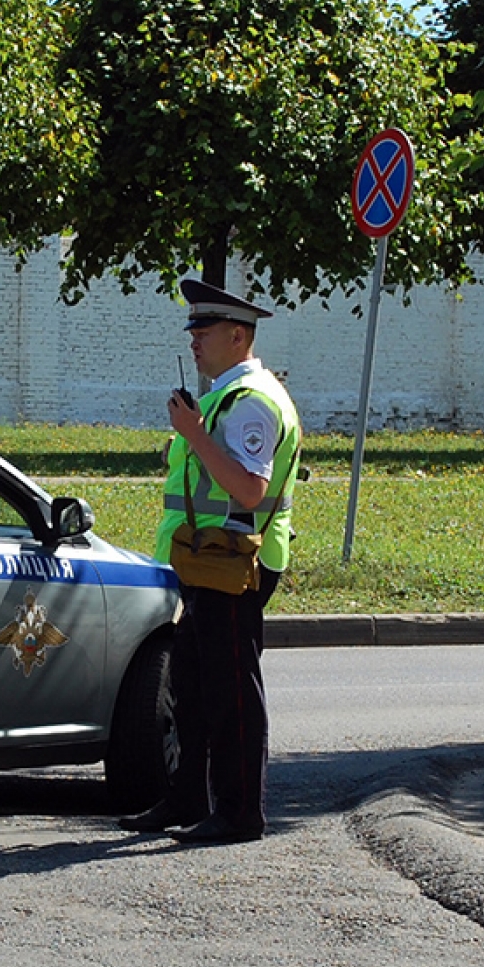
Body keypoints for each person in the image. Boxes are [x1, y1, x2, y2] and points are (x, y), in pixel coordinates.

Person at [120, 277, 302, 844]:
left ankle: (240, 812)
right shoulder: (230, 393)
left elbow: (249, 490)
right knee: (194, 688)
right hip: (207, 562)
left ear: (237, 335)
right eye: (193, 330)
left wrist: (194, 434)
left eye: (204, 330)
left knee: (230, 693)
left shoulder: (252, 401)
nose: (194, 339)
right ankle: (186, 800)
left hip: (236, 564)